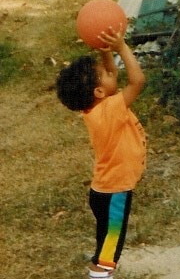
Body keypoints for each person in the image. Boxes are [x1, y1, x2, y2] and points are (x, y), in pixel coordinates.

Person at [56, 25, 146, 279]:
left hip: (105, 190)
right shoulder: (108, 111)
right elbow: (137, 81)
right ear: (98, 91)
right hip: (114, 191)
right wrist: (121, 47)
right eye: (105, 73)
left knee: (107, 235)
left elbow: (113, 74)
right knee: (111, 244)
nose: (111, 71)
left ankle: (99, 265)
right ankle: (99, 273)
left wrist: (106, 52)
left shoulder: (99, 108)